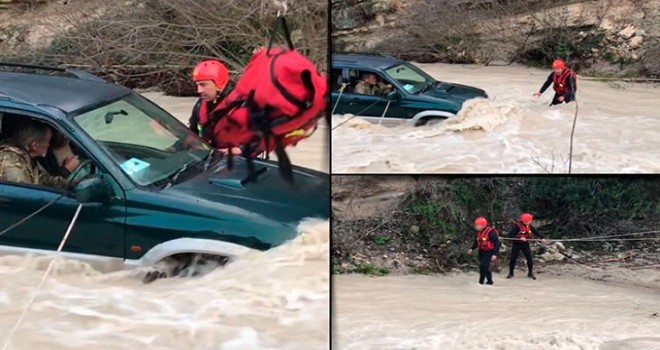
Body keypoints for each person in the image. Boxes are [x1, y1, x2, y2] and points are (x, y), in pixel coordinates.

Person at [0, 119, 78, 189]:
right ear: (35, 145)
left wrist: (71, 184)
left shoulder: (28, 158)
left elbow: (43, 181)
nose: (48, 145)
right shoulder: (10, 162)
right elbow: (23, 195)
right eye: (47, 141)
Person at [507, 213, 548, 280]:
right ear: (525, 220)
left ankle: (530, 273)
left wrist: (542, 237)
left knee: (529, 258)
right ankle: (511, 273)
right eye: (530, 220)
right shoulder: (516, 226)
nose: (531, 221)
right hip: (516, 244)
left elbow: (536, 232)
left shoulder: (529, 226)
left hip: (525, 244)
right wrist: (519, 238)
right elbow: (511, 235)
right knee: (513, 258)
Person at [467, 217, 501, 285]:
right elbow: (476, 243)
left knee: (483, 266)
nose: (476, 226)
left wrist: (495, 254)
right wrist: (471, 249)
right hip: (481, 251)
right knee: (485, 267)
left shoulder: (491, 232)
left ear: (482, 225)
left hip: (489, 251)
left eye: (477, 225)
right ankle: (489, 281)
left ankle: (480, 283)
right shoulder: (478, 233)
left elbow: (498, 243)